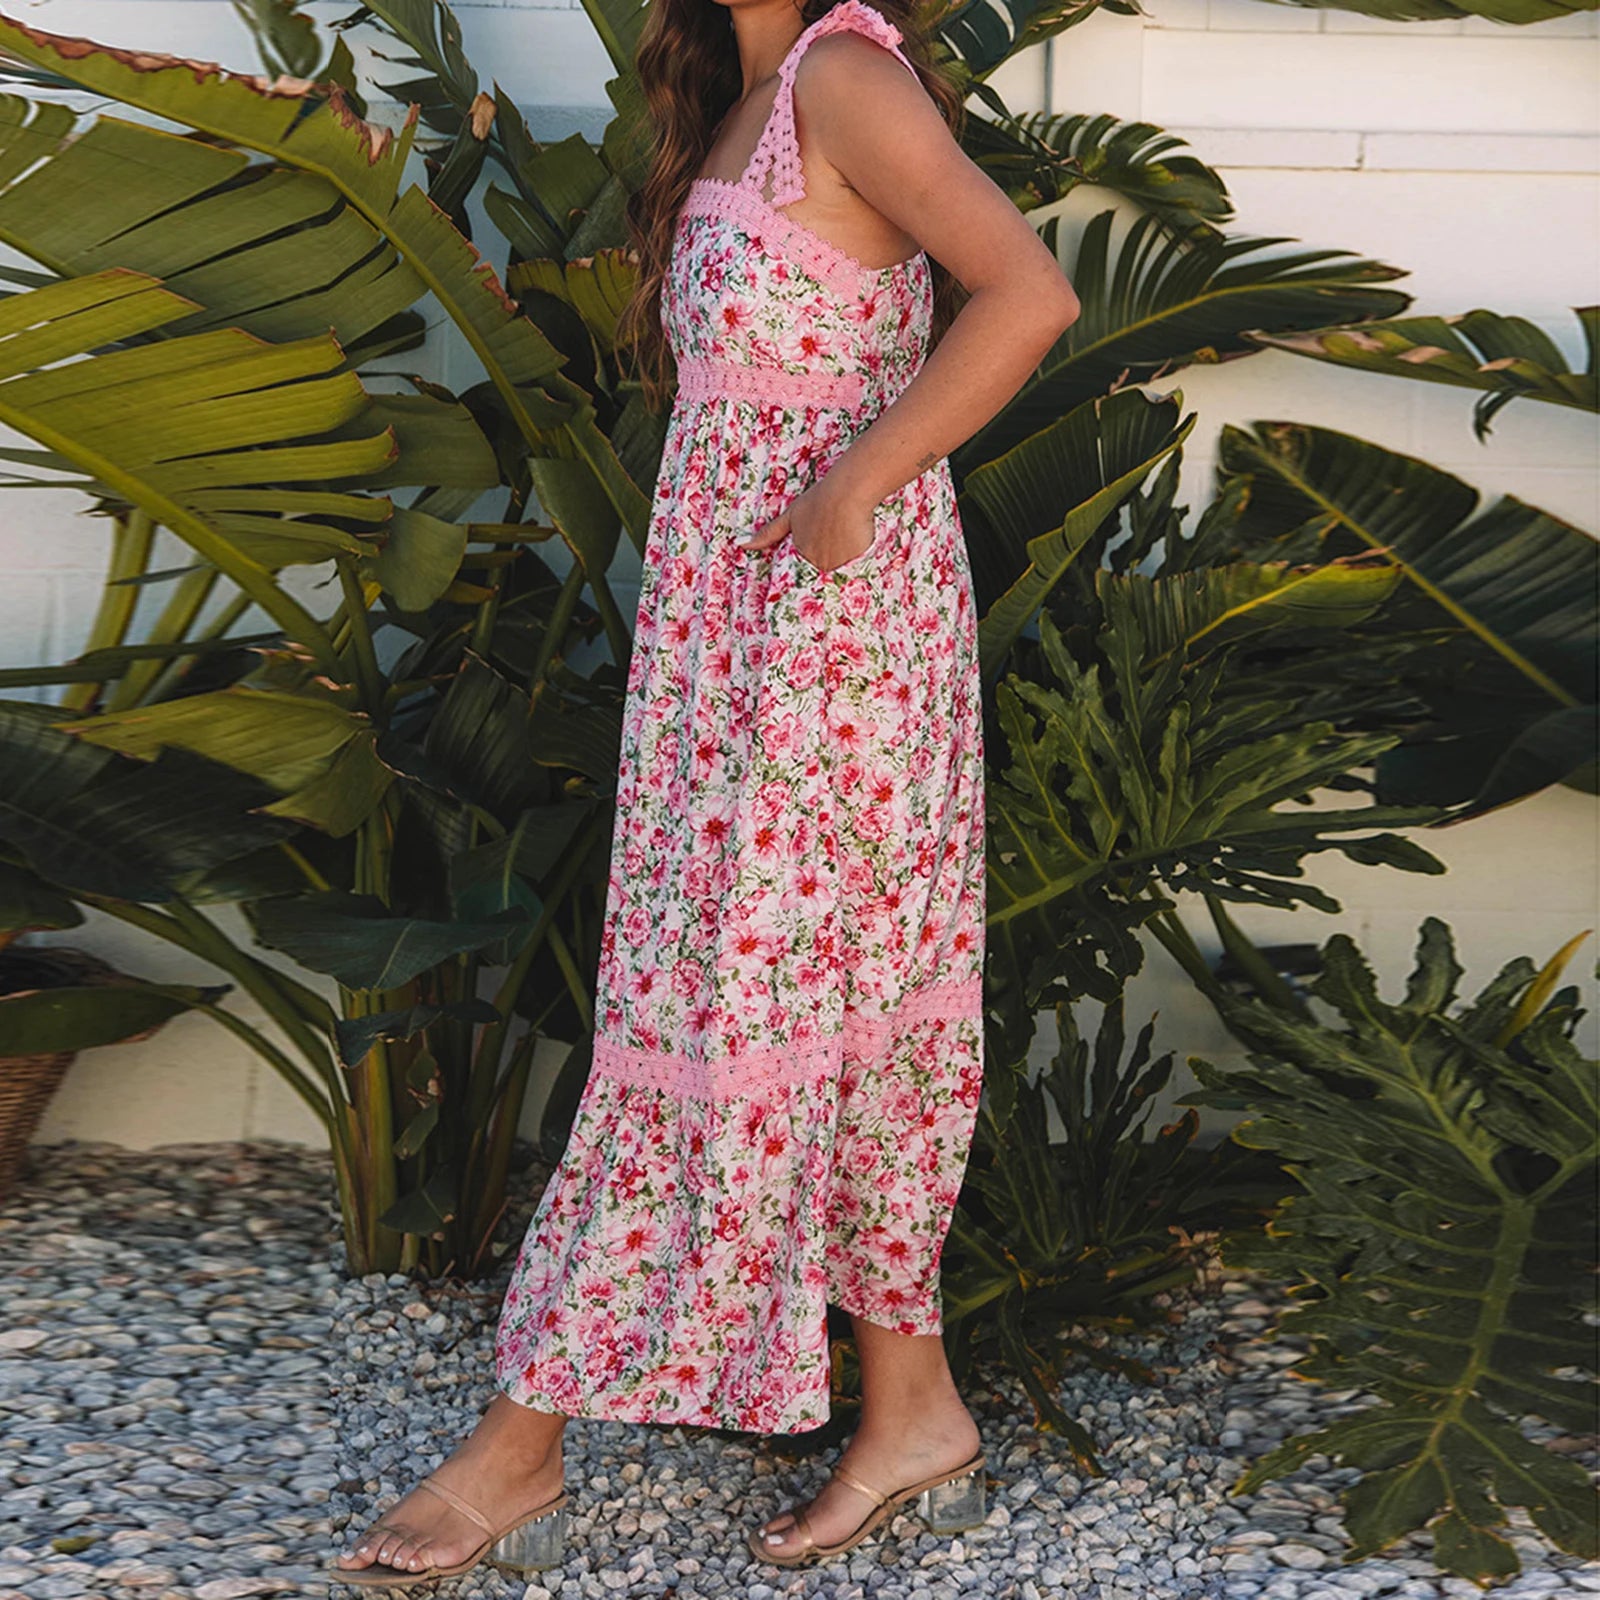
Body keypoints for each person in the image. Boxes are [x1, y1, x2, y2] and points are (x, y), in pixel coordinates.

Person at [331, 0, 1079, 1584]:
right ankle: (913, 1406)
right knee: (800, 998)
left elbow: (1029, 293)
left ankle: (519, 1444)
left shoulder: (852, 79)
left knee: (730, 1009)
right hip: (723, 642)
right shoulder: (736, 100)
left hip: (829, 631)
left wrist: (857, 482)